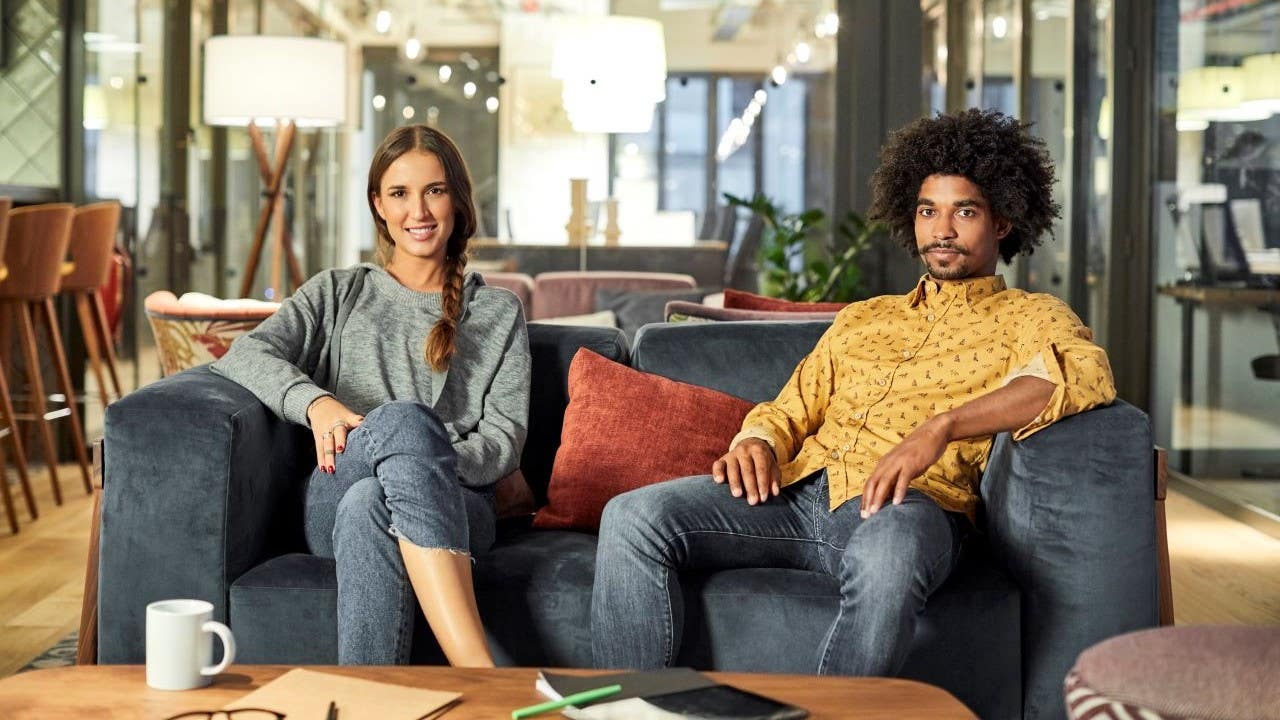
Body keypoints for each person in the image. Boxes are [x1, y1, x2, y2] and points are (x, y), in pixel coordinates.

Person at [590, 108, 1116, 676]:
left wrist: (940, 428)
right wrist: (758, 440)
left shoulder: (1030, 316)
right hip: (796, 495)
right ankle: (630, 705)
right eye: (927, 211)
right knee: (633, 515)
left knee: (890, 553)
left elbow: (1080, 375)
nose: (942, 230)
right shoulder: (863, 319)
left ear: (1003, 223)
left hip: (909, 508)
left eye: (964, 211)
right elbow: (790, 407)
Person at [213, 125, 530, 666]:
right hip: (337, 487)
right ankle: (481, 674)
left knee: (373, 503)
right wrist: (317, 404)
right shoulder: (336, 293)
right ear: (378, 206)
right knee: (396, 437)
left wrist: (423, 457)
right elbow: (243, 354)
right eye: (400, 194)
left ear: (456, 198)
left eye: (434, 190)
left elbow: (503, 441)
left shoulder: (498, 312)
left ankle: (368, 702)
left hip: (457, 503)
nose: (419, 211)